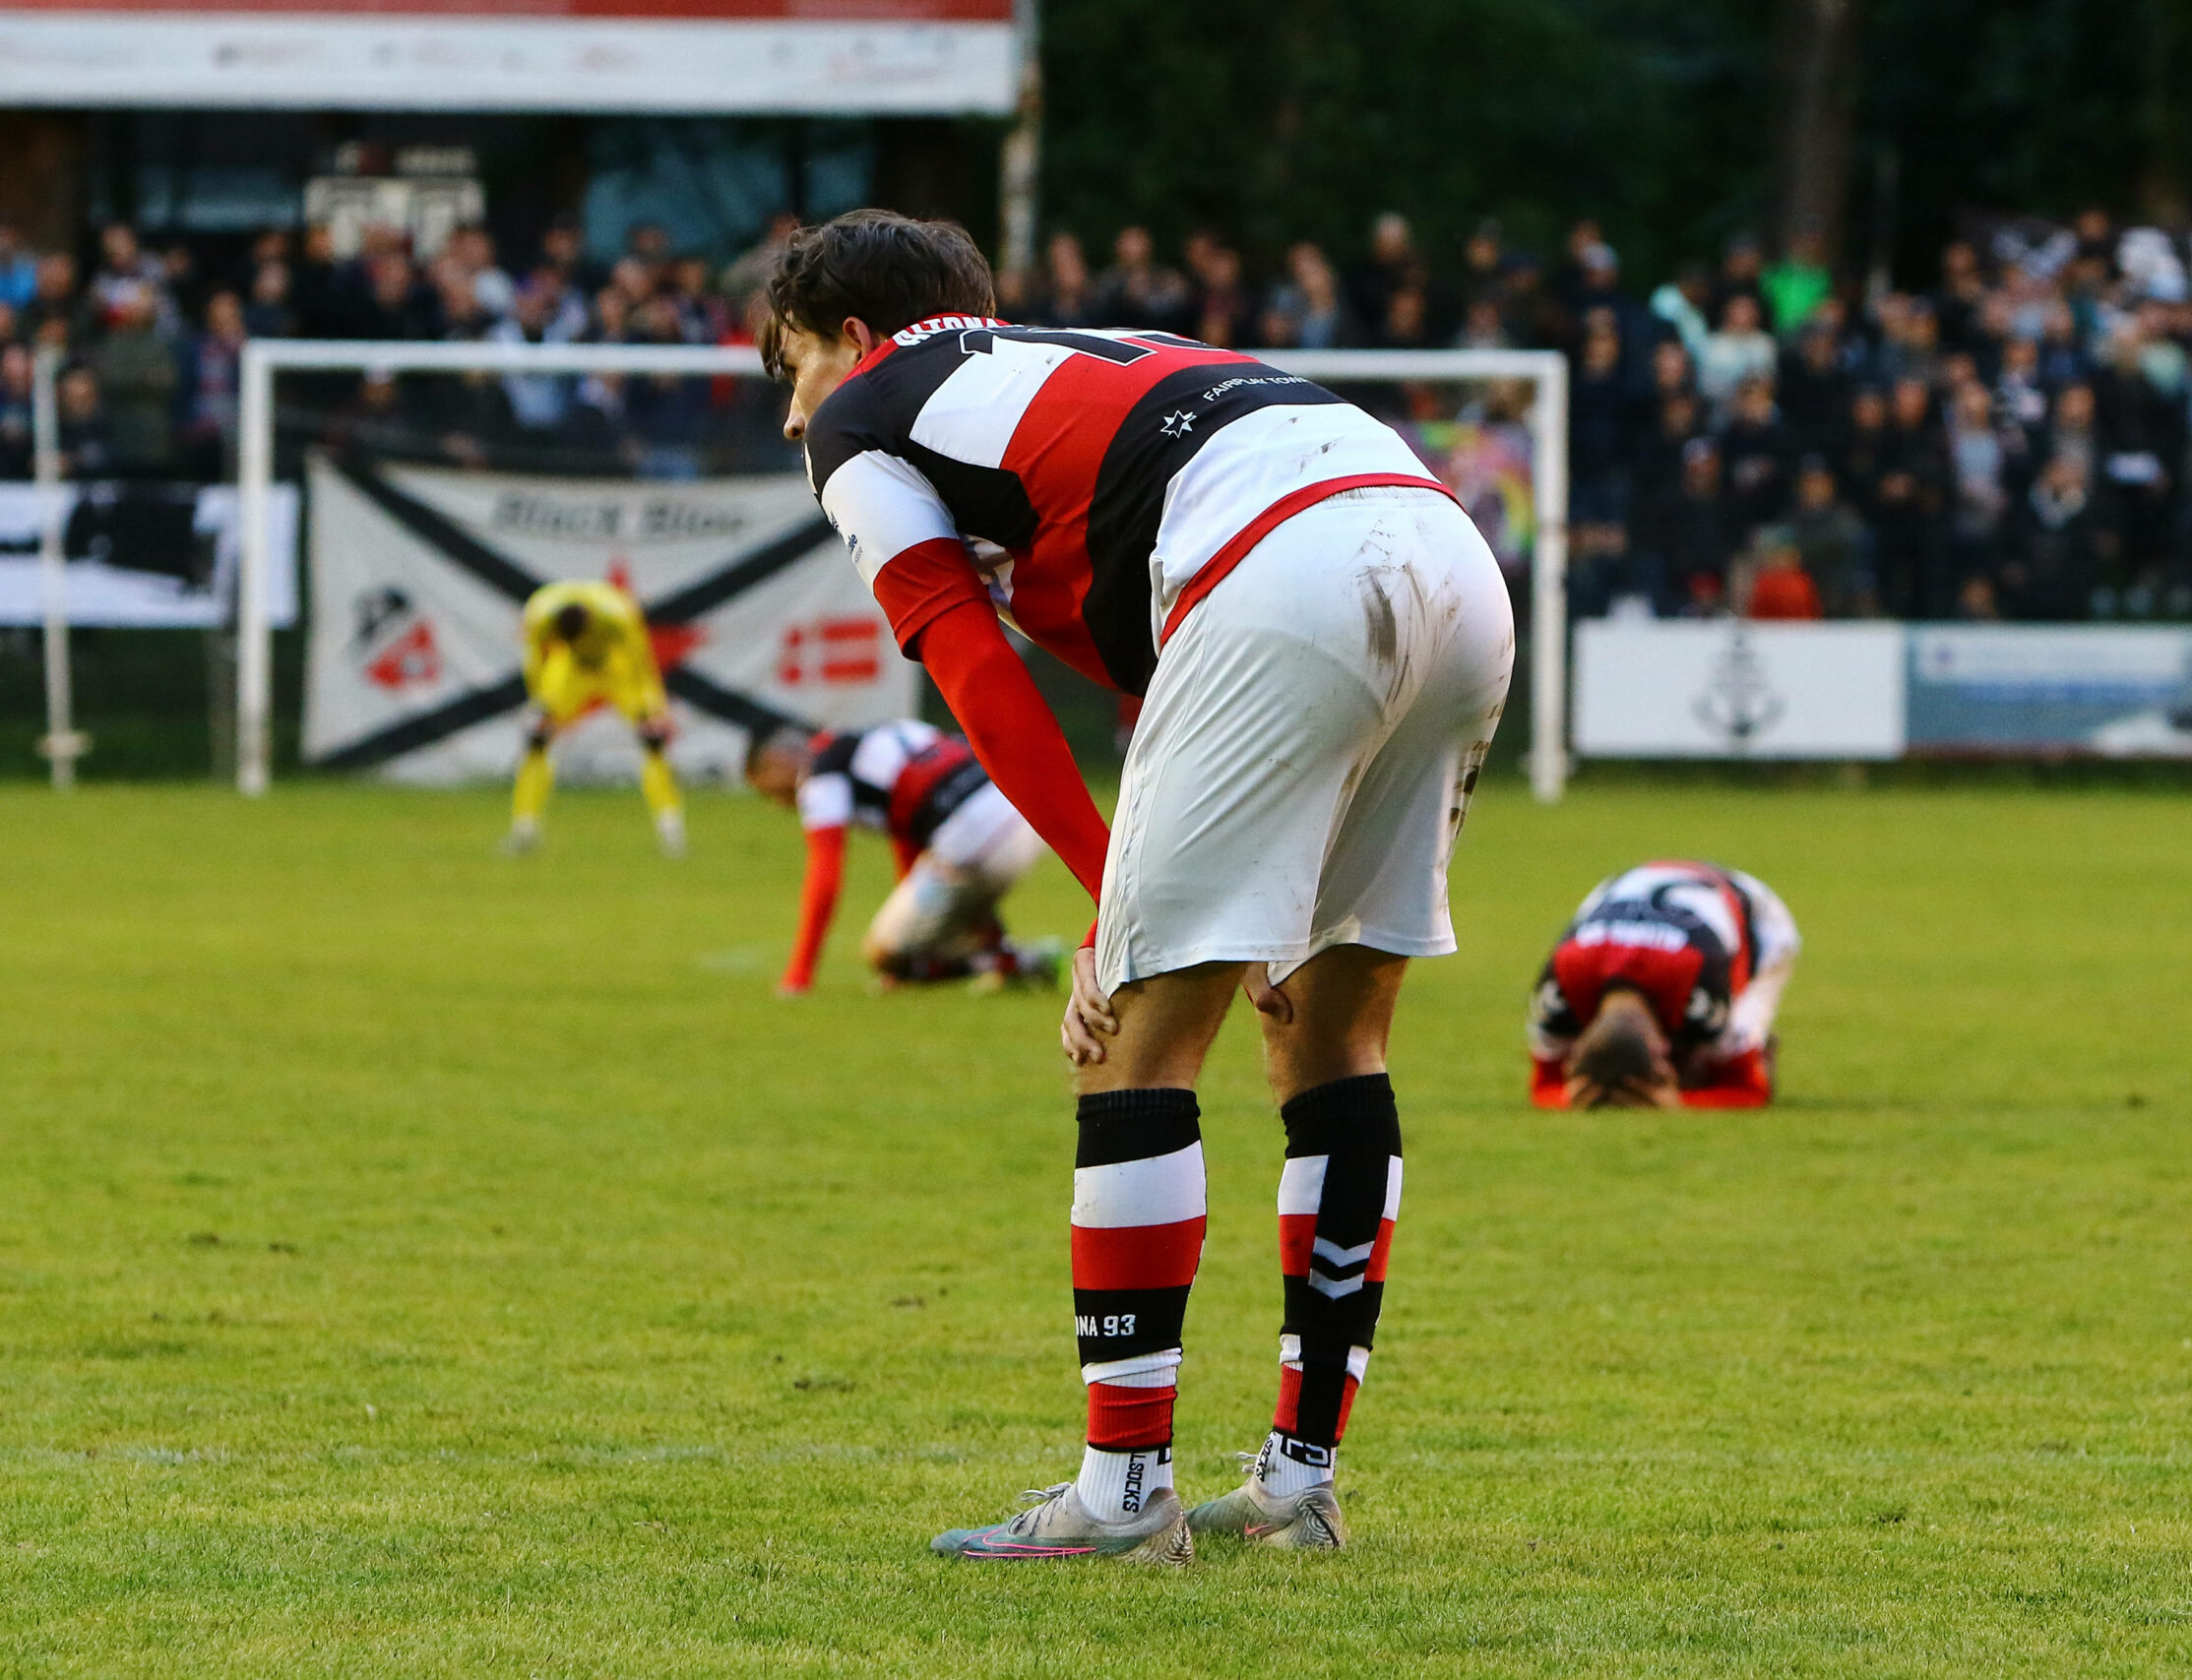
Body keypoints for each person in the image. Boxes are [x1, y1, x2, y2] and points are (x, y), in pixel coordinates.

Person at [762, 210, 1512, 1562]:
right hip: (1445, 549)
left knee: (1133, 1049)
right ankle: (1298, 1482)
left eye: (792, 364)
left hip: (1282, 576)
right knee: (1330, 1030)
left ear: (858, 340)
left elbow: (974, 673)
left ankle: (1120, 1498)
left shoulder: (863, 419)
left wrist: (1113, 905)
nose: (791, 412)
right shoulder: (1080, 354)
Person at [744, 722, 1058, 994]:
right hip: (1023, 814)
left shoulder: (821, 776)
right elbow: (913, 840)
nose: (775, 803)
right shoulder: (883, 733)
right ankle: (1003, 956)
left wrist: (800, 973)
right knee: (954, 892)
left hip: (973, 838)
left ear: (777, 762)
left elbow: (825, 872)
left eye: (767, 790)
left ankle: (1011, 960)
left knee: (885, 954)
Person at [1528, 860, 1800, 1110]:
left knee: (1712, 1059)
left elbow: (1749, 1090)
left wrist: (1678, 1102)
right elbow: (1544, 1083)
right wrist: (1570, 1096)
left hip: (1755, 911)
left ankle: (1751, 1049)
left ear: (1662, 1047)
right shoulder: (1558, 988)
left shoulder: (1702, 991)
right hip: (1636, 884)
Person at [506, 580, 685, 857]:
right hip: (569, 670)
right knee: (537, 738)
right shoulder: (539, 615)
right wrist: (539, 703)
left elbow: (641, 661)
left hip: (616, 667)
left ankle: (671, 830)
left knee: (653, 739)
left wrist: (655, 706)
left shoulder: (619, 614)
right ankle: (524, 830)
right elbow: (534, 662)